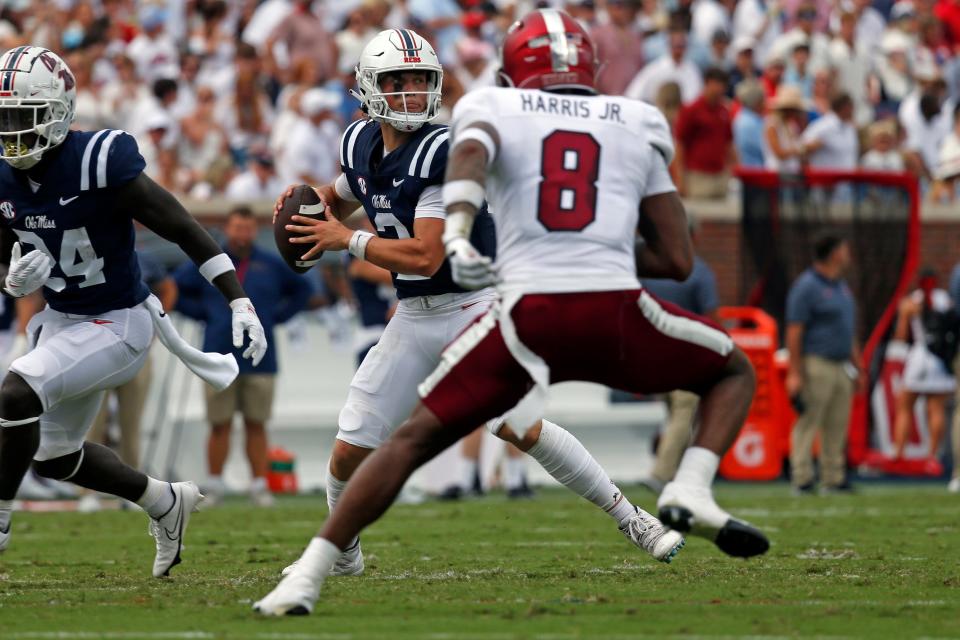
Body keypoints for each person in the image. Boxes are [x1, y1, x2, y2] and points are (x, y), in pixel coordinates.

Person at [255, 11, 768, 616]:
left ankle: (634, 519)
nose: (410, 94)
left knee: (520, 428)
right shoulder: (358, 142)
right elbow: (346, 191)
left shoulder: (442, 150)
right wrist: (306, 211)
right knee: (347, 452)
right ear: (369, 88)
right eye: (396, 82)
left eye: (420, 82)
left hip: (475, 304)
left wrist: (347, 241)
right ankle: (344, 552)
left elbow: (424, 252)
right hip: (415, 315)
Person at [0, 47, 267, 575]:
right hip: (63, 322)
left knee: (15, 390)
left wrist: (238, 298)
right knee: (53, 456)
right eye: (4, 119)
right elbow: (5, 251)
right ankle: (164, 500)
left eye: (24, 119)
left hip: (120, 322)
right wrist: (10, 278)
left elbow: (184, 227)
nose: (13, 133)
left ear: (58, 113)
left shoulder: (101, 160)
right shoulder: (4, 178)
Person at [174, 207, 312, 507]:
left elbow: (303, 289)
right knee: (219, 423)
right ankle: (214, 484)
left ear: (255, 230)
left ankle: (259, 484)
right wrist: (205, 315)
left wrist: (276, 317)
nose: (243, 234)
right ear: (227, 228)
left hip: (261, 356)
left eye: (248, 228)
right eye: (238, 227)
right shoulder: (209, 261)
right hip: (218, 353)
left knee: (256, 422)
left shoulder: (270, 264)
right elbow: (175, 288)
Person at [78, 253, 178, 513]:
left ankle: (132, 490)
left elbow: (168, 288)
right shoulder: (88, 254)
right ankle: (89, 491)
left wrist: (159, 327)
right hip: (95, 348)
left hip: (136, 349)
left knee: (131, 424)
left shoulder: (145, 260)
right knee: (93, 423)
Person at [640, 219, 721, 493]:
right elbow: (711, 316)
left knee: (674, 415)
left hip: (655, 351)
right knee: (683, 415)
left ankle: (676, 472)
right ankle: (662, 473)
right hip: (686, 352)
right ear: (694, 237)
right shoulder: (698, 271)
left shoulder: (652, 269)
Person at [785, 234, 861, 495]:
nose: (848, 253)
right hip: (816, 362)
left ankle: (833, 476)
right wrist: (795, 372)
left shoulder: (840, 285)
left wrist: (857, 365)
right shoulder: (807, 286)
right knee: (809, 420)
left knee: (837, 423)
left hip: (841, 365)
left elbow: (847, 329)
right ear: (834, 253)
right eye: (844, 248)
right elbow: (795, 330)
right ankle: (802, 476)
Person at [891, 269, 955, 475]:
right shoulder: (945, 299)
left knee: (904, 404)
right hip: (939, 359)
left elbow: (901, 337)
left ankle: (898, 453)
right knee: (935, 409)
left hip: (920, 356)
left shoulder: (912, 301)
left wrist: (904, 316)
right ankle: (932, 456)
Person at [673, 67, 734, 199]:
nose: (720, 89)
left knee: (722, 217)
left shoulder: (724, 111)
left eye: (723, 85)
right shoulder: (691, 110)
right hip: (698, 176)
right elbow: (680, 144)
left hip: (720, 175)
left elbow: (729, 142)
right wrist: (680, 179)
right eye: (717, 84)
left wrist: (732, 171)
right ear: (707, 83)